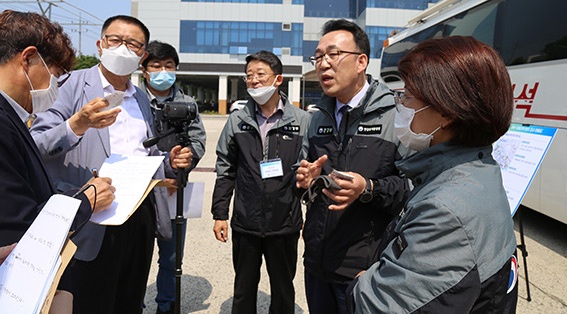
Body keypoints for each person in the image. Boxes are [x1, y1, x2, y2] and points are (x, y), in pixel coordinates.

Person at [29, 15, 193, 314]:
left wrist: (168, 163)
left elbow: (143, 152)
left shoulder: (141, 98)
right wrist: (76, 125)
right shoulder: (70, 86)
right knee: (90, 299)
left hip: (138, 215)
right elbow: (35, 145)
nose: (122, 48)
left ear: (142, 56)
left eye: (132, 44)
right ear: (100, 45)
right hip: (91, 215)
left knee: (129, 298)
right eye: (115, 40)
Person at [349, 36, 518, 313]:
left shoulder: (447, 210)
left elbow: (379, 305)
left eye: (407, 97)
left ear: (447, 113)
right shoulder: (478, 169)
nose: (399, 105)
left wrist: (363, 284)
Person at [0, 9, 116, 312]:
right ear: (28, 59)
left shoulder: (12, 117)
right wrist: (87, 199)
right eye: (55, 75)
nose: (56, 85)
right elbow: (22, 224)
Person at [295, 19, 410, 314]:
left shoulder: (395, 117)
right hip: (318, 261)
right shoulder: (316, 118)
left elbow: (413, 189)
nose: (323, 64)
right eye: (318, 57)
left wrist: (368, 188)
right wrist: (306, 180)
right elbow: (307, 173)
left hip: (366, 270)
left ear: (361, 62)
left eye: (333, 55)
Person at [211, 50, 310, 314]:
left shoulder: (301, 122)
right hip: (246, 223)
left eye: (260, 74)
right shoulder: (237, 121)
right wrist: (220, 214)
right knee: (243, 288)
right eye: (248, 76)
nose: (253, 80)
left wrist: (310, 217)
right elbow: (225, 168)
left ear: (278, 79)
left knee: (283, 287)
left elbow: (309, 174)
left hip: (284, 223)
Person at [139, 40, 207, 314]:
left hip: (174, 191)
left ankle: (166, 306)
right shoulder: (133, 99)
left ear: (176, 69)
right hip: (140, 191)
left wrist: (188, 157)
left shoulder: (187, 103)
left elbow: (199, 140)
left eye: (168, 66)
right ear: (144, 69)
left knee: (171, 257)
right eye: (156, 66)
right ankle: (132, 302)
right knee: (137, 255)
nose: (162, 71)